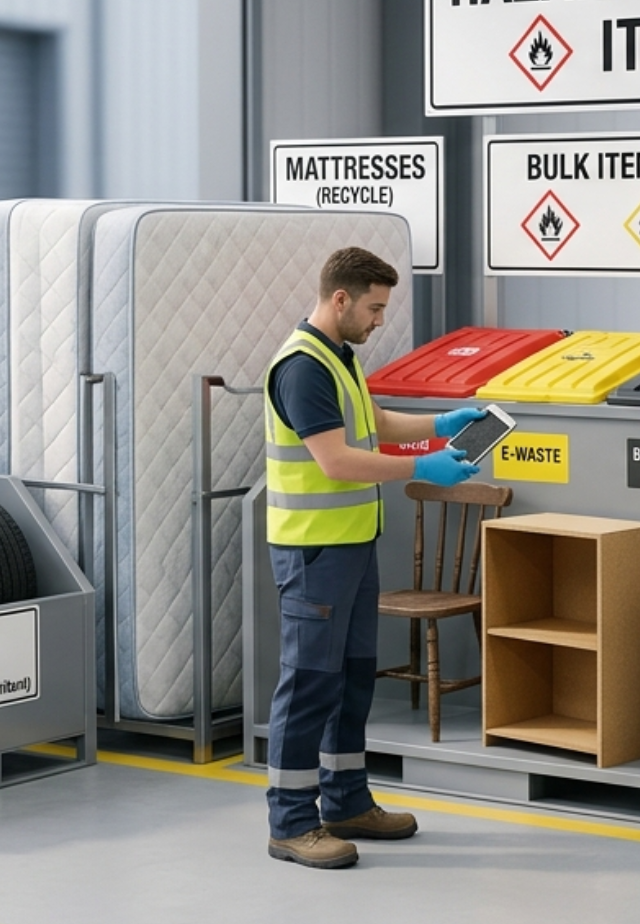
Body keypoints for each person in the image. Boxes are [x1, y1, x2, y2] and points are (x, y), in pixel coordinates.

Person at [262, 247, 484, 869]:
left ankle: (347, 802)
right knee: (308, 684)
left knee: (353, 680)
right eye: (375, 307)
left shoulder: (340, 358)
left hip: (353, 547)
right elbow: (335, 460)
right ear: (341, 299)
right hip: (314, 550)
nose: (380, 319)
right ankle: (291, 822)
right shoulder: (302, 368)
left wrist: (441, 424)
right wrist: (423, 467)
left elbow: (374, 420)